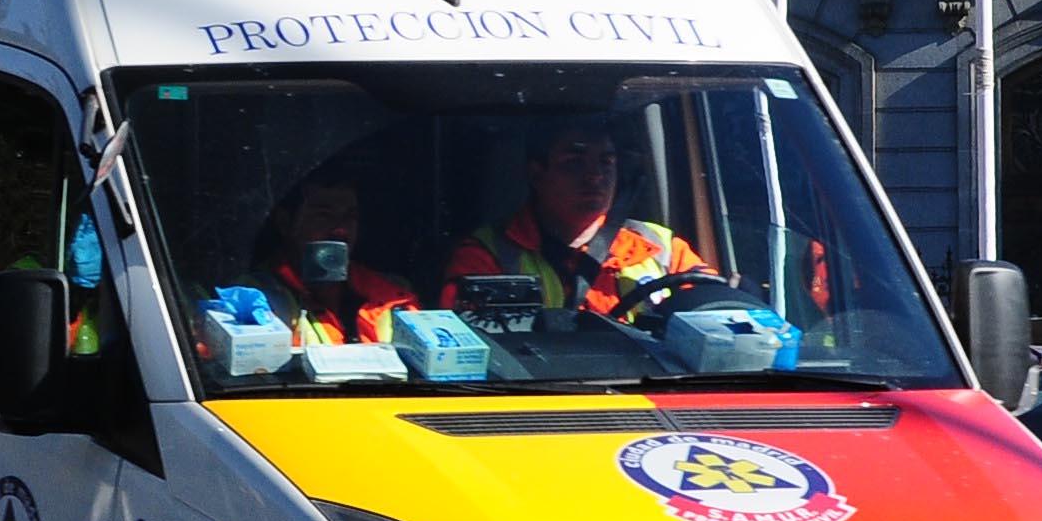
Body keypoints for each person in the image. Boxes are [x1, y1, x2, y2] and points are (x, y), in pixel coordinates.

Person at [441, 115, 713, 318]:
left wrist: (736, 294)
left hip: (650, 390)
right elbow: (467, 350)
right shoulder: (487, 255)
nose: (595, 176)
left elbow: (716, 314)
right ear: (537, 174)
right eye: (574, 162)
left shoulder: (661, 248)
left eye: (606, 162)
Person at [247, 162, 415, 347]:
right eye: (323, 216)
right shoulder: (253, 299)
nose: (340, 230)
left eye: (350, 217)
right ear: (285, 223)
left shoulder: (394, 294)